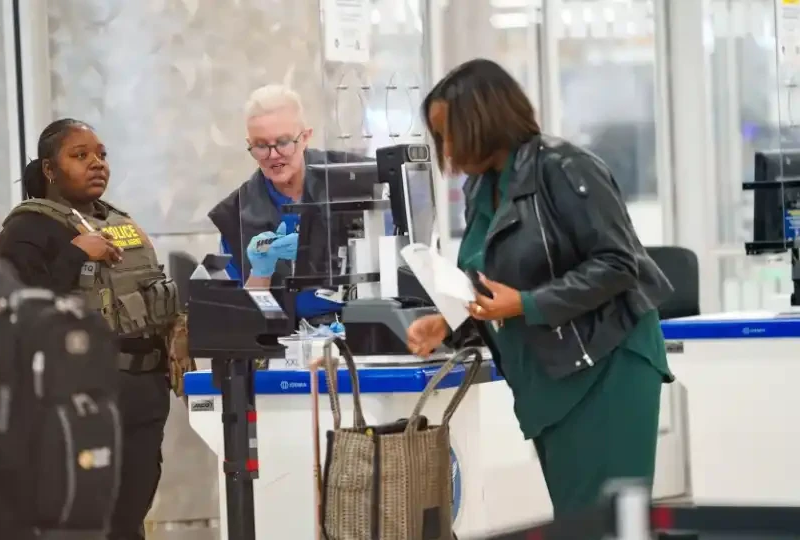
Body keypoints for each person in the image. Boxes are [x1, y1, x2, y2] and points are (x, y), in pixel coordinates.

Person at [406, 59, 675, 517]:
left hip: (608, 365)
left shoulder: (566, 168)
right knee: (579, 520)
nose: (444, 147)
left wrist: (527, 304)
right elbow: (488, 282)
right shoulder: (481, 190)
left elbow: (618, 263)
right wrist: (450, 322)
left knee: (607, 524)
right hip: (549, 376)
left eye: (448, 132)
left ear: (482, 120)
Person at [0, 119, 178, 540]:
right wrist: (76, 254)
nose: (96, 163)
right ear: (49, 169)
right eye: (80, 156)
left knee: (129, 517)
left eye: (101, 154)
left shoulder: (118, 221)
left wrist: (177, 333)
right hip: (80, 398)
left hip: (144, 391)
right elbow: (13, 313)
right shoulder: (27, 229)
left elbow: (152, 291)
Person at [209, 84, 381, 322]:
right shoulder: (235, 216)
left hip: (361, 329)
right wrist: (261, 273)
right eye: (261, 145)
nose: (273, 155)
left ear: (305, 137)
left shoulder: (358, 180)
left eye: (283, 142)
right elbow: (246, 320)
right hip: (282, 344)